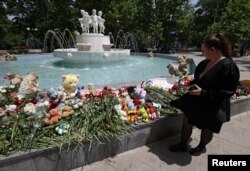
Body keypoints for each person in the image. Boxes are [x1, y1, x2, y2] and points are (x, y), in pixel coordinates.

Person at [169, 33, 240, 156]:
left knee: (207, 127)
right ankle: (182, 145)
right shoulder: (204, 63)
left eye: (203, 50)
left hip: (214, 103)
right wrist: (186, 84)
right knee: (187, 121)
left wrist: (203, 92)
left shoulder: (228, 66)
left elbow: (227, 92)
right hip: (197, 100)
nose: (202, 53)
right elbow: (199, 80)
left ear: (212, 49)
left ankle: (201, 146)